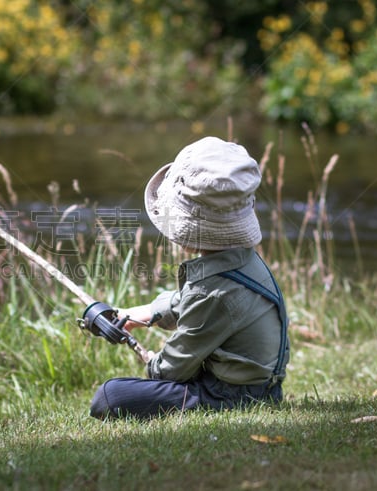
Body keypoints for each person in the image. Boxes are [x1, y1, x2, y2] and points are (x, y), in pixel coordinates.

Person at [89, 136, 290, 419]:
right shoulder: (243, 260)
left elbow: (173, 369)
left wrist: (151, 362)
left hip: (232, 396)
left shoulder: (211, 292)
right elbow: (188, 302)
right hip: (262, 388)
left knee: (110, 396)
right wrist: (140, 314)